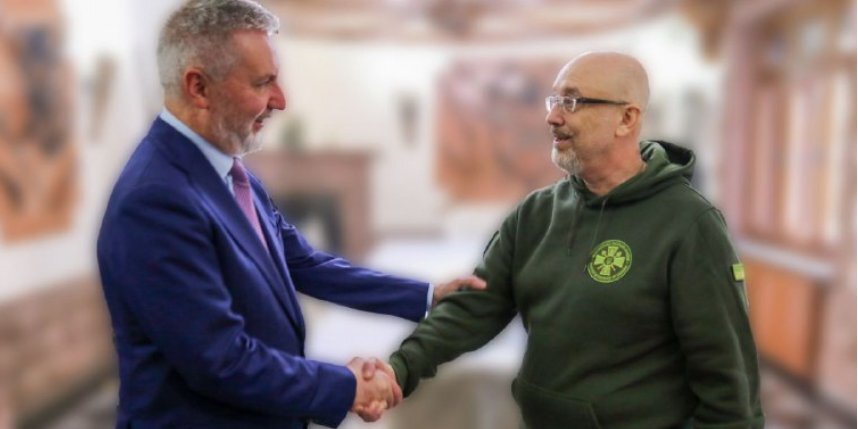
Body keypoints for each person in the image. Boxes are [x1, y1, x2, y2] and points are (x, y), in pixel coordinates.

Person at [95, 1, 484, 428]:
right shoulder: (155, 200)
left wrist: (427, 297)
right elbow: (220, 359)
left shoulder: (227, 170)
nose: (281, 101)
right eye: (263, 82)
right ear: (199, 88)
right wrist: (347, 386)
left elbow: (306, 264)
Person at [388, 52, 765, 428]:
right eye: (554, 100)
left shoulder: (690, 224)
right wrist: (399, 368)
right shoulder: (536, 213)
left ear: (626, 119)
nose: (552, 117)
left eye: (572, 102)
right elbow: (474, 307)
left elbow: (728, 386)